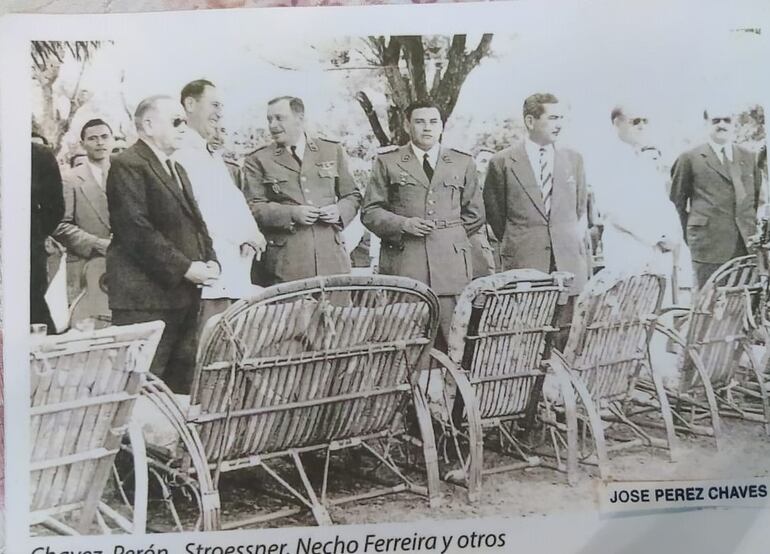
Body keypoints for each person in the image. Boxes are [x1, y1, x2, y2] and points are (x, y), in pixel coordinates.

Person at [106, 95, 219, 393]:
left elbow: (196, 221)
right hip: (145, 301)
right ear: (149, 124)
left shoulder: (176, 168)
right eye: (176, 121)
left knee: (178, 386)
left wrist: (210, 258)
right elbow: (135, 230)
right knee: (140, 388)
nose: (184, 126)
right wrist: (185, 268)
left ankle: (170, 441)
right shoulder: (127, 163)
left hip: (181, 296)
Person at [362, 100, 484, 345]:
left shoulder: (462, 162)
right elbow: (370, 211)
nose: (427, 128)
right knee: (407, 342)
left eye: (433, 122)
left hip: (451, 268)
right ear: (408, 125)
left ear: (441, 126)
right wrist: (403, 225)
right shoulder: (388, 162)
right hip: (406, 264)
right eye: (419, 122)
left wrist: (449, 237)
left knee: (454, 340)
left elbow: (476, 213)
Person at [483, 93, 588, 346]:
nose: (559, 124)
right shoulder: (502, 162)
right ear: (530, 121)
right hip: (524, 261)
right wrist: (523, 240)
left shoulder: (573, 160)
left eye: (561, 118)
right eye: (552, 118)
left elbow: (579, 207)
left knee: (566, 336)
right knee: (526, 336)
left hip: (567, 263)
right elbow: (496, 216)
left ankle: (561, 385)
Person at [174, 79, 266, 330]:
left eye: (221, 106)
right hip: (209, 276)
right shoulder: (180, 152)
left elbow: (231, 201)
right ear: (190, 105)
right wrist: (242, 235)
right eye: (213, 105)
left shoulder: (209, 154)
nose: (219, 113)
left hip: (231, 273)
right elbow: (202, 211)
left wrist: (252, 233)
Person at [242, 96, 361, 285]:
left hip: (332, 260)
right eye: (269, 119)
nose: (273, 125)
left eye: (280, 118)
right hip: (286, 264)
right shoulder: (258, 159)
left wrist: (339, 210)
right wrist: (292, 214)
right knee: (292, 314)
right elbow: (253, 207)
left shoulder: (331, 150)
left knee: (339, 313)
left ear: (300, 118)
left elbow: (352, 195)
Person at [670, 107, 761, 289]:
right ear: (706, 124)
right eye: (716, 120)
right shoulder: (689, 158)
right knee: (710, 304)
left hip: (745, 244)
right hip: (708, 247)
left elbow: (755, 199)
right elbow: (676, 204)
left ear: (734, 123)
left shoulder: (749, 157)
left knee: (745, 302)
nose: (722, 125)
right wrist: (695, 234)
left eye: (727, 120)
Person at [595, 107, 682, 276]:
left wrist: (671, 235)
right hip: (627, 248)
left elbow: (663, 203)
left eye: (645, 121)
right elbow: (613, 210)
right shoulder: (608, 159)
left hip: (656, 250)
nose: (641, 126)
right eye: (635, 121)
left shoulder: (645, 159)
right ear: (617, 123)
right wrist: (657, 235)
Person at [52, 118, 114, 303]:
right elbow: (60, 225)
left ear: (112, 139)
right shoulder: (70, 179)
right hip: (84, 268)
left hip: (124, 268)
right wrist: (98, 244)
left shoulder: (126, 174)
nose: (100, 142)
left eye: (104, 137)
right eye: (93, 138)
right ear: (83, 144)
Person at [30, 141, 64, 331]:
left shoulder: (39, 155)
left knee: (33, 313)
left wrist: (34, 235)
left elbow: (55, 207)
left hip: (27, 254)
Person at [470, 148, 496, 278]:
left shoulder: (499, 193)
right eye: (483, 161)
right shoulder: (465, 192)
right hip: (475, 255)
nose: (486, 166)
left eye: (491, 163)